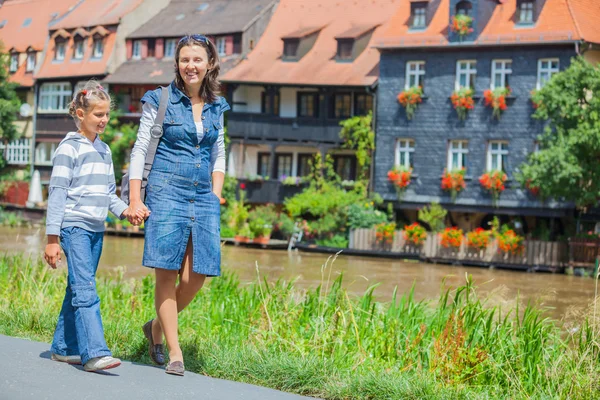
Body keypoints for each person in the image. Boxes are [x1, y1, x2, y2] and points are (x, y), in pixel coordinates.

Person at [128, 34, 229, 376]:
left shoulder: (217, 106)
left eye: (197, 59)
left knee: (198, 275)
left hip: (204, 196)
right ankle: (174, 352)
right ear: (178, 63)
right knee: (166, 272)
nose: (191, 65)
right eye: (185, 59)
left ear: (209, 64)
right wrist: (135, 197)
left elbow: (220, 152)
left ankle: (154, 328)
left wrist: (216, 193)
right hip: (166, 190)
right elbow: (140, 149)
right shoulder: (159, 100)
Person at [44, 80, 144, 372]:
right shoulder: (68, 149)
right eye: (97, 115)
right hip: (74, 227)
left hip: (96, 230)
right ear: (79, 113)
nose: (103, 121)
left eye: (106, 115)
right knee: (86, 289)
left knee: (76, 288)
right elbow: (57, 193)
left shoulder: (105, 150)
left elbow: (106, 194)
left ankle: (63, 348)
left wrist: (126, 210)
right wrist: (52, 239)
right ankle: (94, 353)